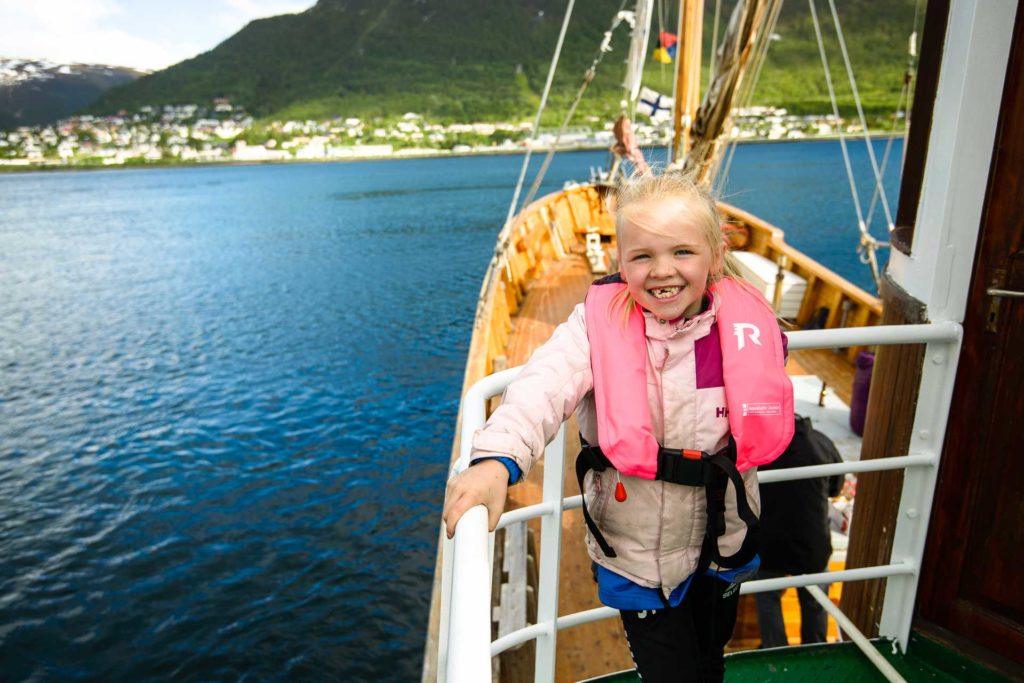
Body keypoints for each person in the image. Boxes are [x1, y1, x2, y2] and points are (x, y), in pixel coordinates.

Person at [442, 171, 793, 682]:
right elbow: (541, 387)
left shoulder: (744, 327)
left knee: (710, 659)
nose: (662, 271)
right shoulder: (594, 329)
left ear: (715, 256)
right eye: (643, 256)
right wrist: (497, 458)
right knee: (670, 674)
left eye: (682, 252)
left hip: (725, 542)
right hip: (638, 556)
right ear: (620, 262)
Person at [754, 414, 844, 648]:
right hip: (812, 542)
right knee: (815, 600)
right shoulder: (821, 443)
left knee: (767, 596)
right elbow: (836, 487)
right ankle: (814, 650)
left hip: (770, 543)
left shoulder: (761, 447)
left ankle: (774, 650)